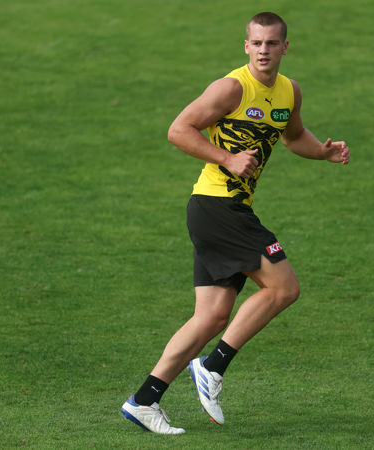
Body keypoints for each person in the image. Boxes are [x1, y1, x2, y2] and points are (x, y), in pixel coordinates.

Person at [120, 11, 350, 434]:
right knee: (284, 288)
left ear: (285, 47)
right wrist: (226, 158)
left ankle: (144, 400)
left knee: (210, 318)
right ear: (246, 46)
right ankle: (212, 366)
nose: (264, 50)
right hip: (218, 206)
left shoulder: (289, 91)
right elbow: (178, 129)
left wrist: (323, 152)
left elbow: (293, 135)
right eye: (256, 43)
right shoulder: (231, 88)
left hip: (222, 210)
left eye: (272, 43)